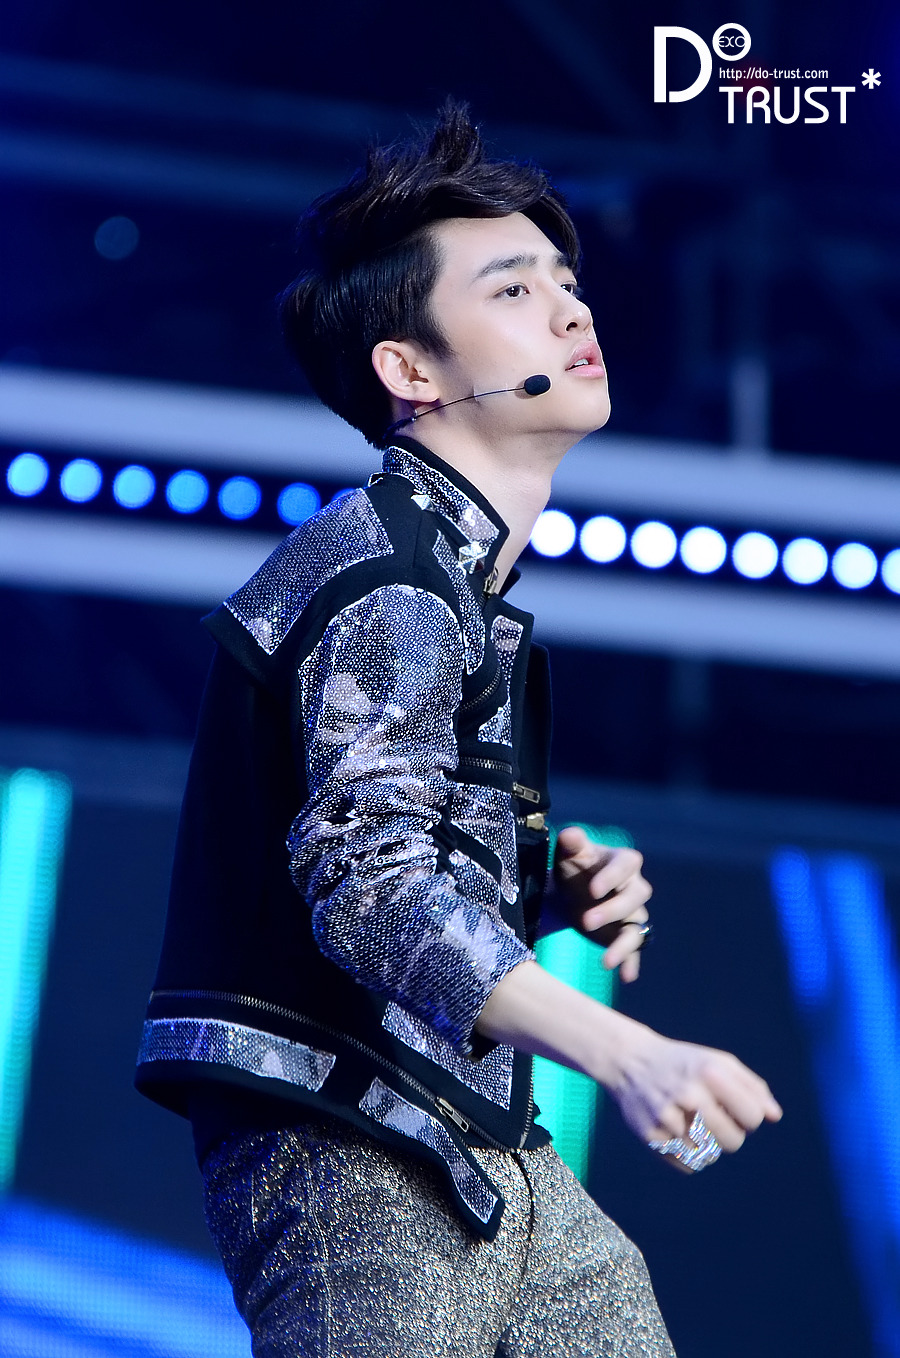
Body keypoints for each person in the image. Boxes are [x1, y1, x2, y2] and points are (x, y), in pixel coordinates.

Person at [135, 103, 782, 1357]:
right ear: (411, 370)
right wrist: (630, 1054)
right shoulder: (391, 574)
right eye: (514, 288)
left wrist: (531, 888)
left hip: (474, 1137)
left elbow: (382, 861)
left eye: (566, 283)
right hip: (350, 1143)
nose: (571, 311)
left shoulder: (450, 579)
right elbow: (371, 893)